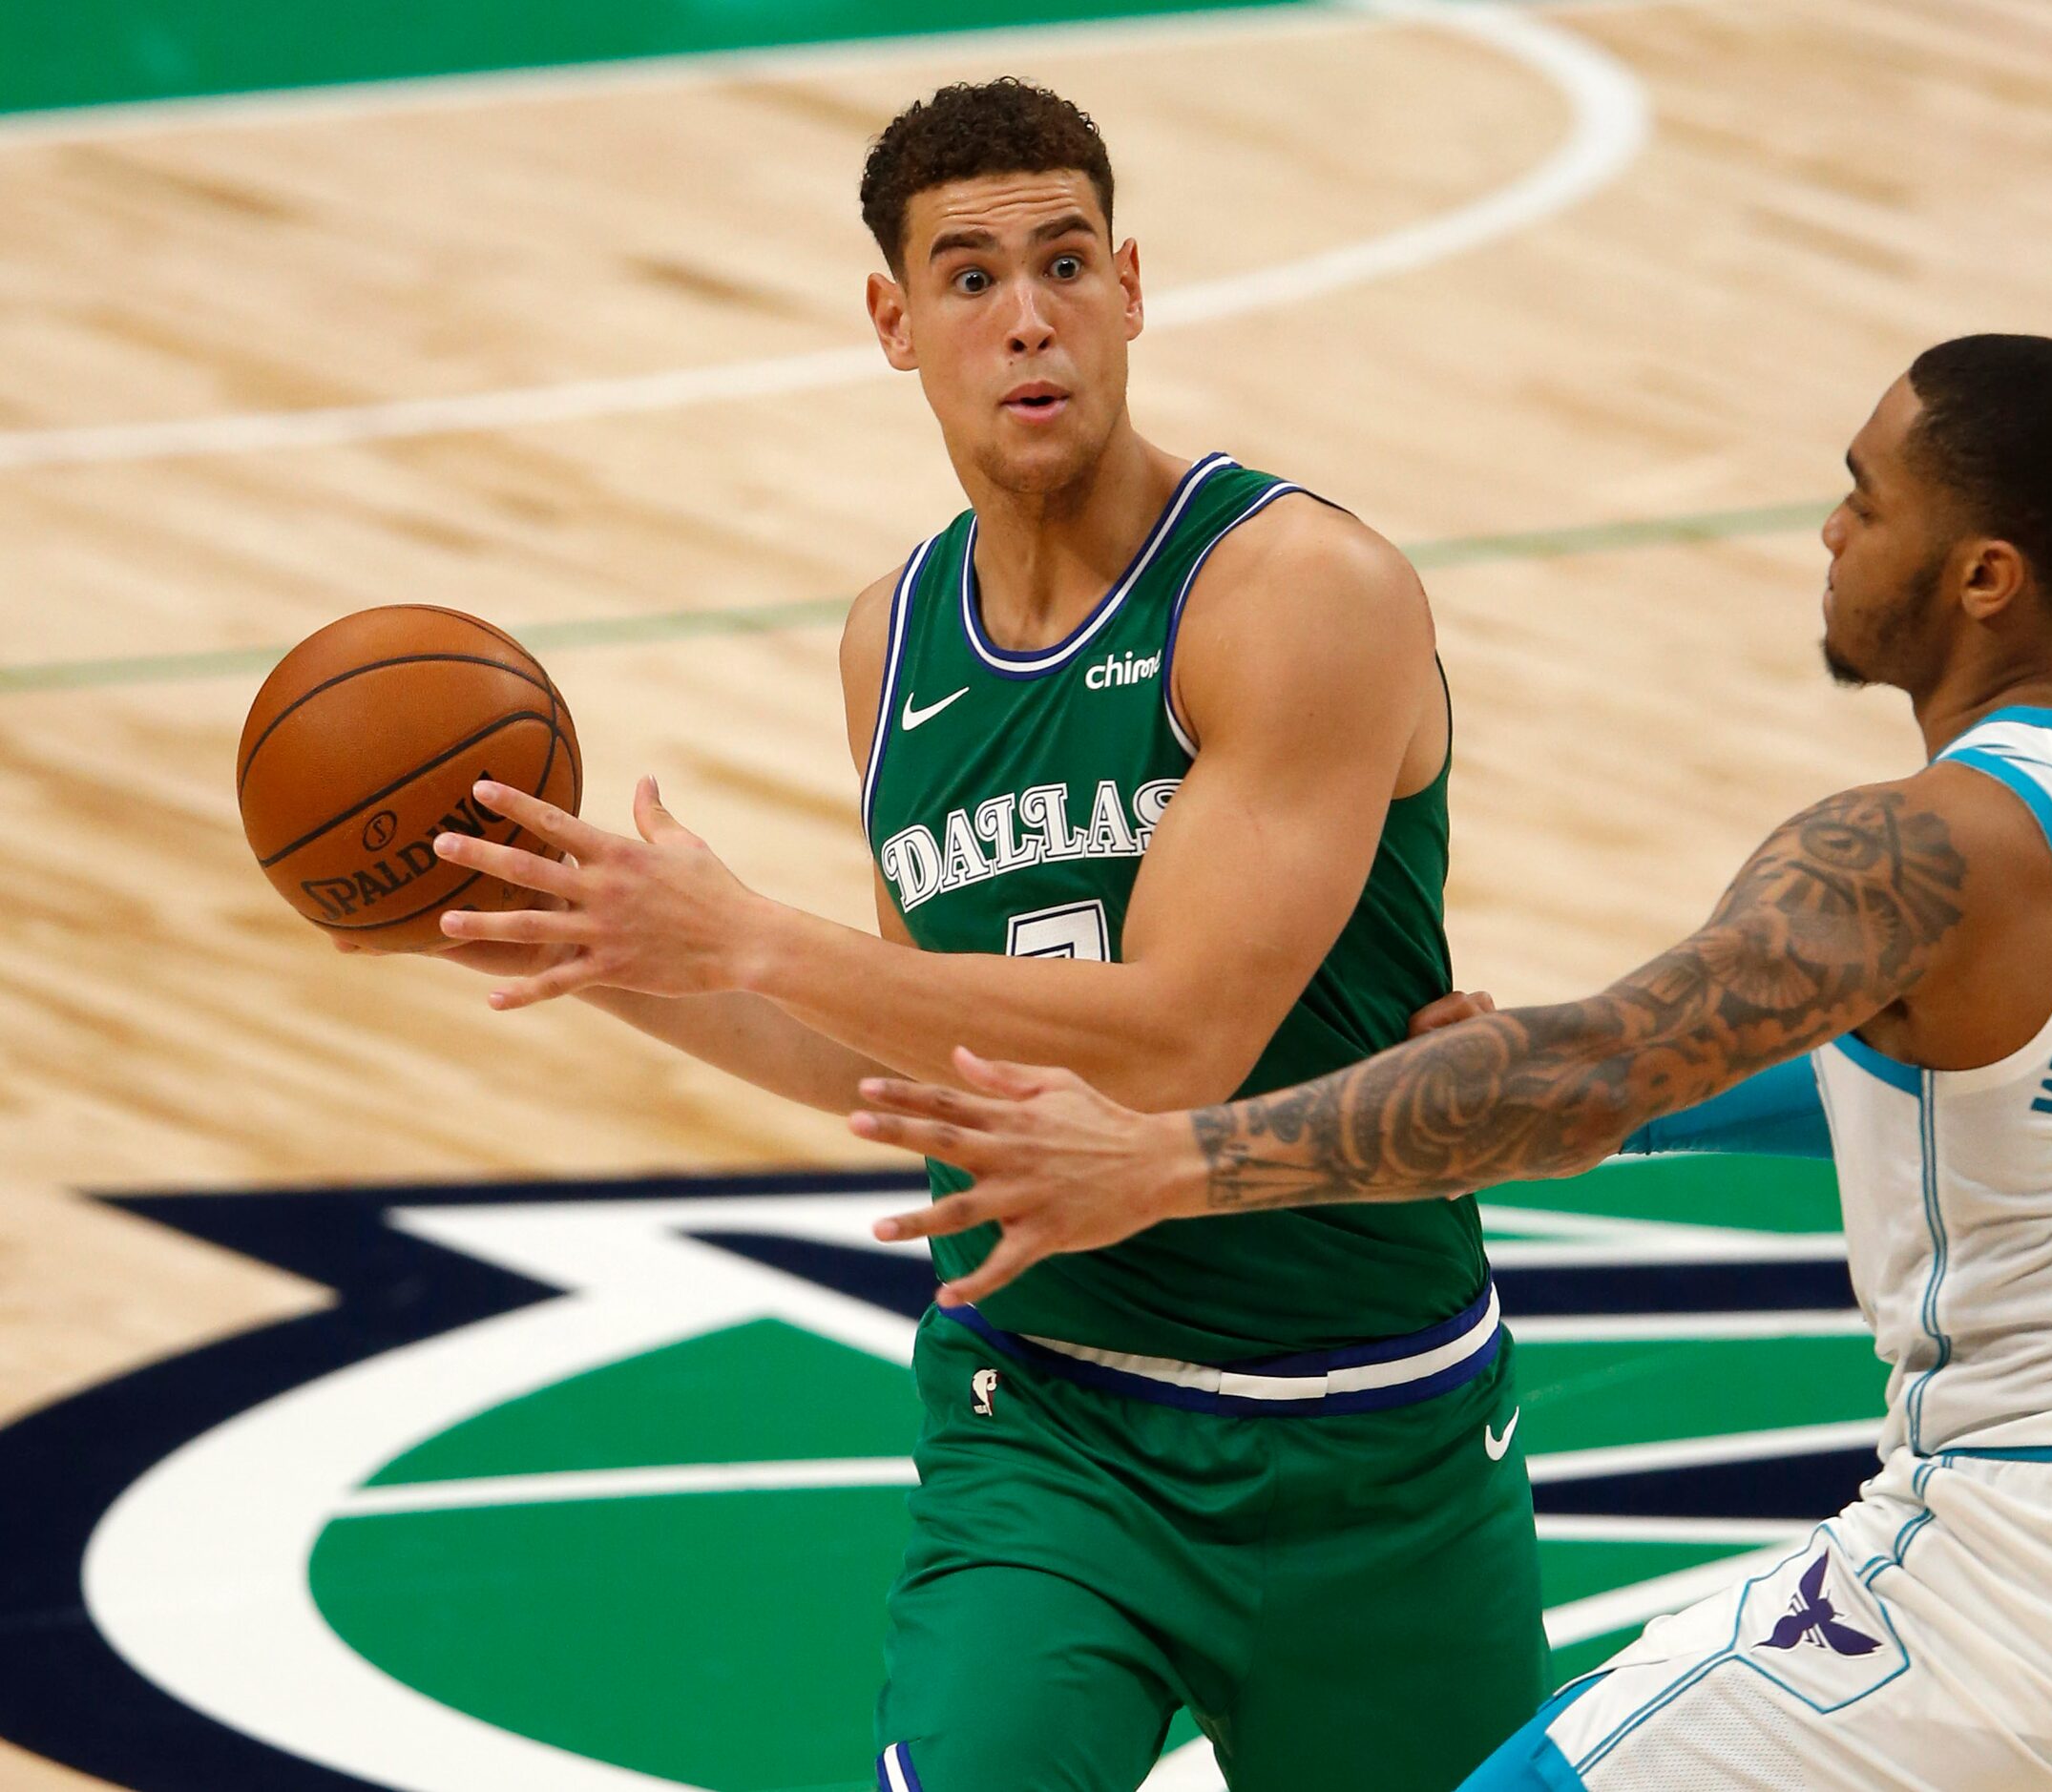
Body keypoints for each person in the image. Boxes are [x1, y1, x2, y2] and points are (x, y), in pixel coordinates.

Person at [851, 336, 2052, 1790]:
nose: (1833, 530)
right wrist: (1611, 1118)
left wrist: (1166, 1159)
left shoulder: (1914, 848)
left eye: (1868, 497)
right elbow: (1984, 1074)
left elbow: (1593, 1069)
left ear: (1985, 576)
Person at [418, 78, 1547, 1792]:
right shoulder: (895, 640)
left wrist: (754, 936)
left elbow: (1175, 1045)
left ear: (1133, 287)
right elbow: (935, 1068)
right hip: (1052, 1421)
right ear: (893, 321)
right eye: (967, 278)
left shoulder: (1299, 591)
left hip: (1371, 1437)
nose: (1027, 320)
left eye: (1066, 264)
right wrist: (597, 945)